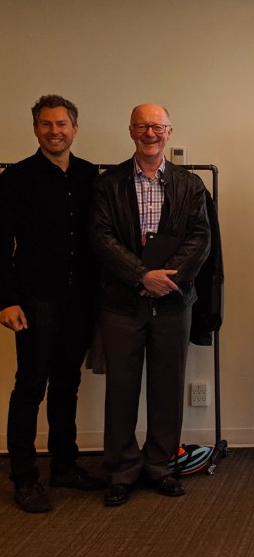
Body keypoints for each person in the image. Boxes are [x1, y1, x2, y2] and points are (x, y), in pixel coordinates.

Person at [90, 103, 211, 507]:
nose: (150, 133)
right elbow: (101, 238)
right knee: (122, 389)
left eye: (157, 126)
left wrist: (166, 277)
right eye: (142, 126)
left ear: (169, 131)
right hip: (122, 304)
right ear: (130, 131)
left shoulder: (190, 184)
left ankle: (160, 466)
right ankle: (121, 470)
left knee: (167, 387)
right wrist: (142, 275)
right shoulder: (108, 184)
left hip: (173, 303)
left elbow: (201, 238)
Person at [0, 95, 104, 513]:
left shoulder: (89, 176)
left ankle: (64, 464)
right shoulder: (16, 179)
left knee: (67, 385)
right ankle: (24, 477)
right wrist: (5, 300)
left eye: (62, 124)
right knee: (30, 387)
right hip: (35, 300)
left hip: (79, 301)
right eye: (46, 124)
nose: (55, 131)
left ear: (74, 129)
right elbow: (0, 246)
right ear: (36, 129)